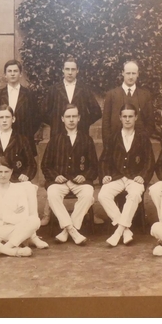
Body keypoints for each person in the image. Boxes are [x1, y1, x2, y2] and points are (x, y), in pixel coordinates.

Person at [98, 103, 155, 247]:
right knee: (103, 195)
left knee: (135, 194)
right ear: (120, 118)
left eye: (130, 116)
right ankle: (125, 230)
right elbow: (104, 159)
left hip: (134, 177)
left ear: (136, 117)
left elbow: (149, 161)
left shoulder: (142, 137)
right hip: (116, 176)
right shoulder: (113, 137)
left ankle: (118, 232)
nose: (128, 119)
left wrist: (143, 176)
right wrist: (105, 175)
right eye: (125, 116)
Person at [41, 104, 98, 245]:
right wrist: (55, 176)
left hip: (80, 182)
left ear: (79, 118)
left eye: (74, 116)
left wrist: (85, 176)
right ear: (62, 119)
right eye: (68, 116)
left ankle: (67, 230)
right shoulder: (55, 140)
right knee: (52, 193)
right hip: (60, 181)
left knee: (88, 193)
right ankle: (73, 230)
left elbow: (94, 166)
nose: (71, 120)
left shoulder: (86, 139)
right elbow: (45, 165)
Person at [0, 59, 41, 157]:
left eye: (15, 71)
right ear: (5, 74)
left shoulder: (29, 94)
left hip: (25, 140)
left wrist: (26, 134)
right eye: (9, 71)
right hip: (4, 141)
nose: (12, 74)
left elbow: (36, 119)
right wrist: (4, 134)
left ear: (20, 74)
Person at [42, 56, 102, 138]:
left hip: (80, 133)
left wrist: (83, 122)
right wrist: (56, 122)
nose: (70, 72)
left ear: (77, 70)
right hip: (58, 133)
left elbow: (97, 112)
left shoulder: (84, 89)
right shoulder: (54, 89)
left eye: (73, 69)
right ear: (62, 70)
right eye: (67, 69)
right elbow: (43, 112)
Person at [102, 60, 155, 145]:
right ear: (122, 73)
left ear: (138, 74)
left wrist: (143, 138)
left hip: (139, 144)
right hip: (116, 144)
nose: (131, 77)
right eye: (128, 73)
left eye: (133, 73)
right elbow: (106, 123)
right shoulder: (111, 95)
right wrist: (108, 144)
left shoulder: (145, 95)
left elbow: (150, 122)